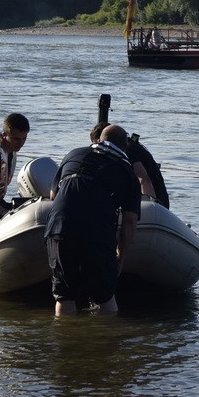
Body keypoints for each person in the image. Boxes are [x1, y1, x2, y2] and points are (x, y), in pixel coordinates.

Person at [45, 124, 141, 315]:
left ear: (98, 140)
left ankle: (64, 341)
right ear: (125, 146)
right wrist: (120, 259)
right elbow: (129, 222)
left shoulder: (73, 154)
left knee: (64, 295)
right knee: (105, 296)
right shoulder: (127, 172)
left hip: (59, 227)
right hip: (96, 231)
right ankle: (105, 341)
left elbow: (53, 195)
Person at [90, 123, 170, 208]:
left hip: (156, 200)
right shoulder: (130, 145)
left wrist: (151, 207)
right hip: (160, 198)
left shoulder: (126, 150)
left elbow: (144, 180)